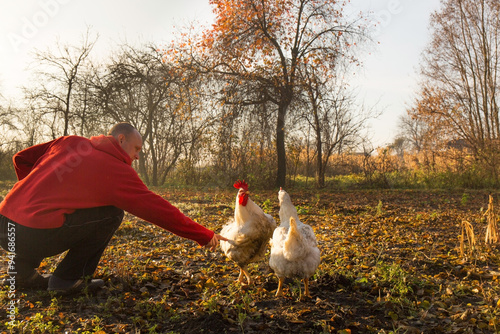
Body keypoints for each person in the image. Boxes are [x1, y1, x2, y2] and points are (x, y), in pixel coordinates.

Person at [0, 122, 227, 293]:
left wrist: (32, 198)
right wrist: (203, 234)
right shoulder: (115, 170)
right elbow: (157, 208)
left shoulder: (70, 142)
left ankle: (20, 272)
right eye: (136, 148)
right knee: (112, 214)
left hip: (4, 223)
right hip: (31, 234)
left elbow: (21, 158)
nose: (137, 156)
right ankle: (68, 279)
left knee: (42, 215)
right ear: (120, 139)